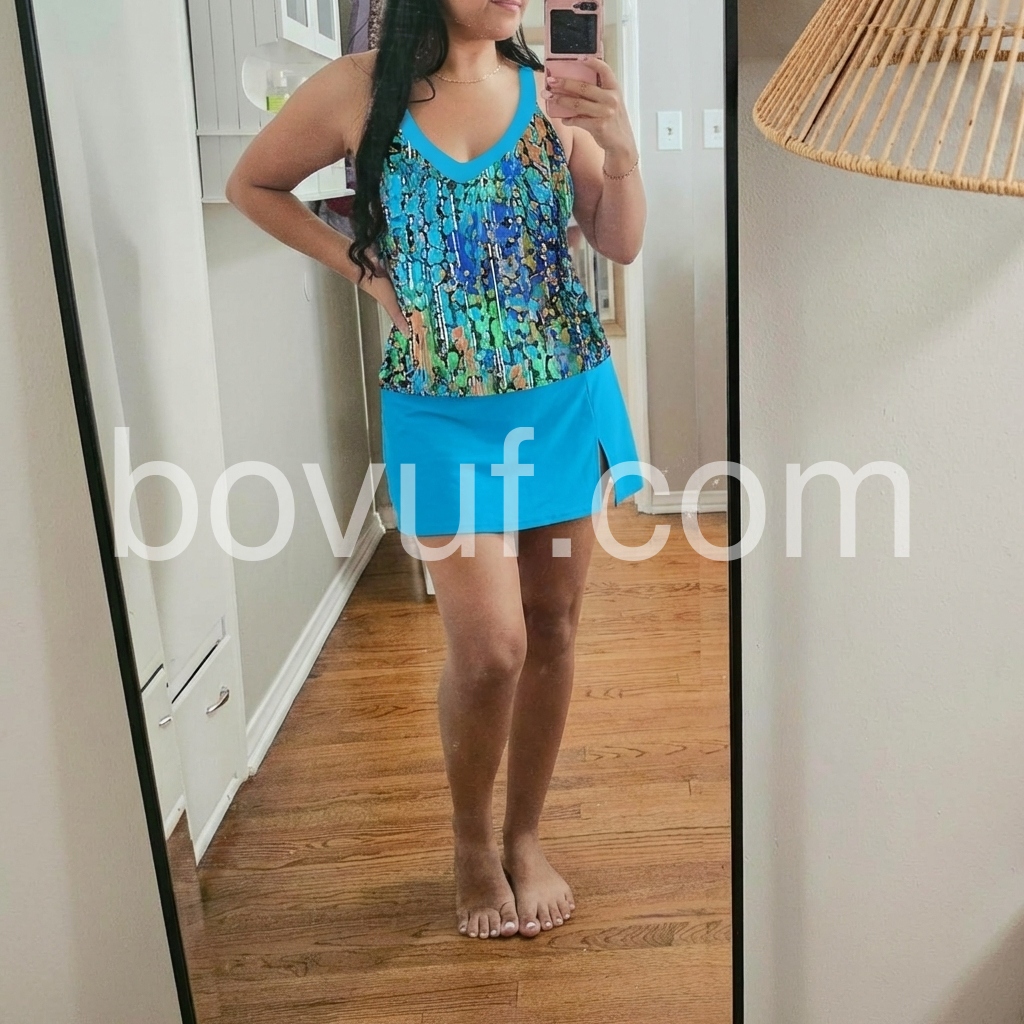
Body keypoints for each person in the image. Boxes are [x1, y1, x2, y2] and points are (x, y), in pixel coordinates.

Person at [225, 0, 647, 941]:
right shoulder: (358, 89)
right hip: (440, 410)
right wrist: (366, 272)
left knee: (553, 625)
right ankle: (469, 841)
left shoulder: (550, 94)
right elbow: (252, 184)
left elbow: (619, 242)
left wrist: (619, 150)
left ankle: (524, 836)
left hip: (562, 396)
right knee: (492, 648)